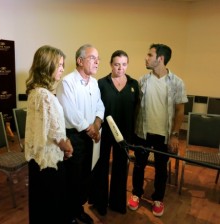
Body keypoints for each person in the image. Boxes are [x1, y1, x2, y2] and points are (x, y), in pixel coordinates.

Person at [128, 43, 188, 217]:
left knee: (161, 169)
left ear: (160, 59)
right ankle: (136, 194)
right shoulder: (142, 81)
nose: (146, 58)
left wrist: (175, 135)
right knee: (139, 166)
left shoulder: (177, 83)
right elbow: (137, 107)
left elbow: (180, 111)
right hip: (143, 132)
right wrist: (133, 132)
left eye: (149, 55)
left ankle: (158, 199)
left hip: (164, 135)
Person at [56, 44, 105, 224]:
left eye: (98, 59)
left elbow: (100, 105)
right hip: (74, 136)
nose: (97, 62)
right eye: (93, 58)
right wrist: (91, 129)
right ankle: (68, 216)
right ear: (80, 60)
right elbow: (71, 112)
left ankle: (78, 210)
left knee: (84, 177)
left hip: (90, 136)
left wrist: (98, 123)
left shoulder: (94, 82)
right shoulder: (67, 82)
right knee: (72, 179)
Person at [25, 45, 73, 224]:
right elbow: (57, 134)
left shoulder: (34, 92)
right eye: (59, 64)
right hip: (49, 163)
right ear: (47, 65)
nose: (62, 68)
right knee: (52, 207)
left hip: (37, 160)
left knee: (41, 207)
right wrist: (67, 148)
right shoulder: (46, 96)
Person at [90, 50, 139, 216]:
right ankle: (100, 203)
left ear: (127, 65)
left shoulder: (134, 84)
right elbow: (95, 108)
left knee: (121, 169)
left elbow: (136, 110)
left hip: (123, 135)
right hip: (104, 134)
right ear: (111, 64)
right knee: (101, 167)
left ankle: (118, 203)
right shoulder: (101, 83)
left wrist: (133, 136)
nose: (120, 68)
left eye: (124, 64)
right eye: (117, 64)